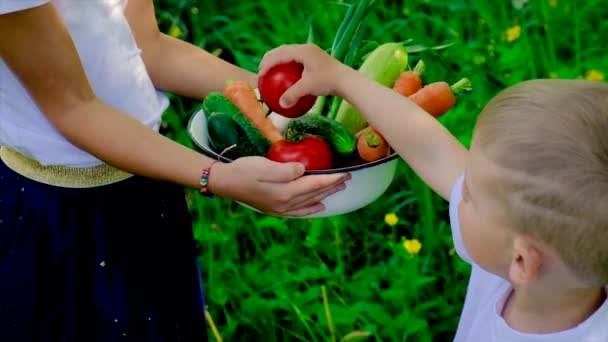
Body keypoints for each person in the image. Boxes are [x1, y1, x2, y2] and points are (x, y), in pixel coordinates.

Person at [0, 2, 350, 341]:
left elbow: (150, 48)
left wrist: (284, 101)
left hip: (147, 177)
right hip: (58, 215)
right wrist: (215, 176)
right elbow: (73, 107)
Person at [259, 43, 608, 341]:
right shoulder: (532, 255)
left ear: (522, 261)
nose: (459, 188)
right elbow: (430, 147)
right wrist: (340, 78)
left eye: (469, 192)